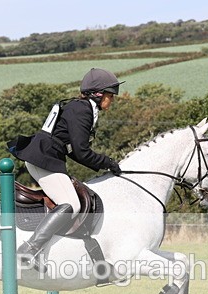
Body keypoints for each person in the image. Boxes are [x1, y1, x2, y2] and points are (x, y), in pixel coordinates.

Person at [8, 68, 124, 272]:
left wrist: (102, 163)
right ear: (97, 94)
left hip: (46, 157)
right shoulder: (82, 110)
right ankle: (28, 249)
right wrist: (108, 162)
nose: (112, 99)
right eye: (110, 95)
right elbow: (81, 152)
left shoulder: (80, 107)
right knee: (71, 203)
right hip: (44, 158)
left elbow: (72, 149)